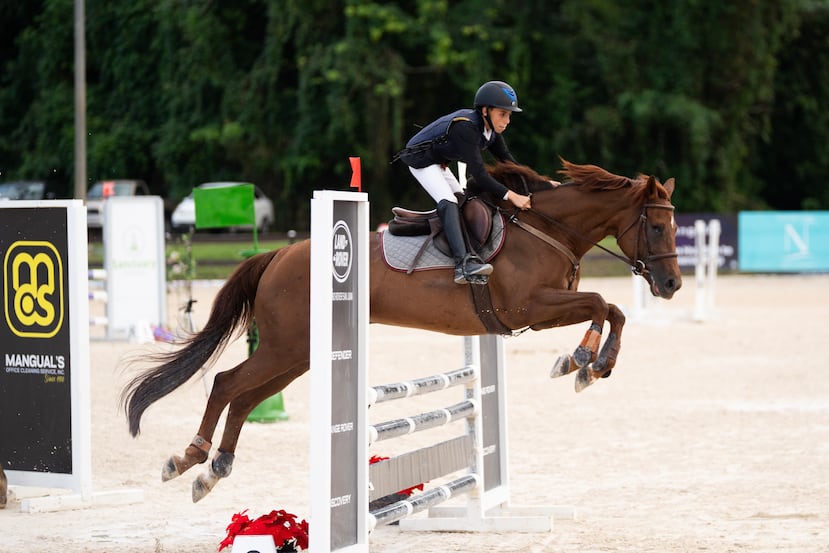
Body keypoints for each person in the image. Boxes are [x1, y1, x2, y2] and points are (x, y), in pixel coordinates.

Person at [395, 80, 532, 284]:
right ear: (485, 111)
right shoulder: (466, 129)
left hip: (438, 161)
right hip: (421, 160)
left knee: (463, 200)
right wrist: (512, 195)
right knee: (449, 201)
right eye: (502, 114)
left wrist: (540, 184)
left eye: (509, 115)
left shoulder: (491, 132)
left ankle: (471, 252)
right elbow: (480, 175)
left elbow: (509, 163)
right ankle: (462, 265)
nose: (507, 120)